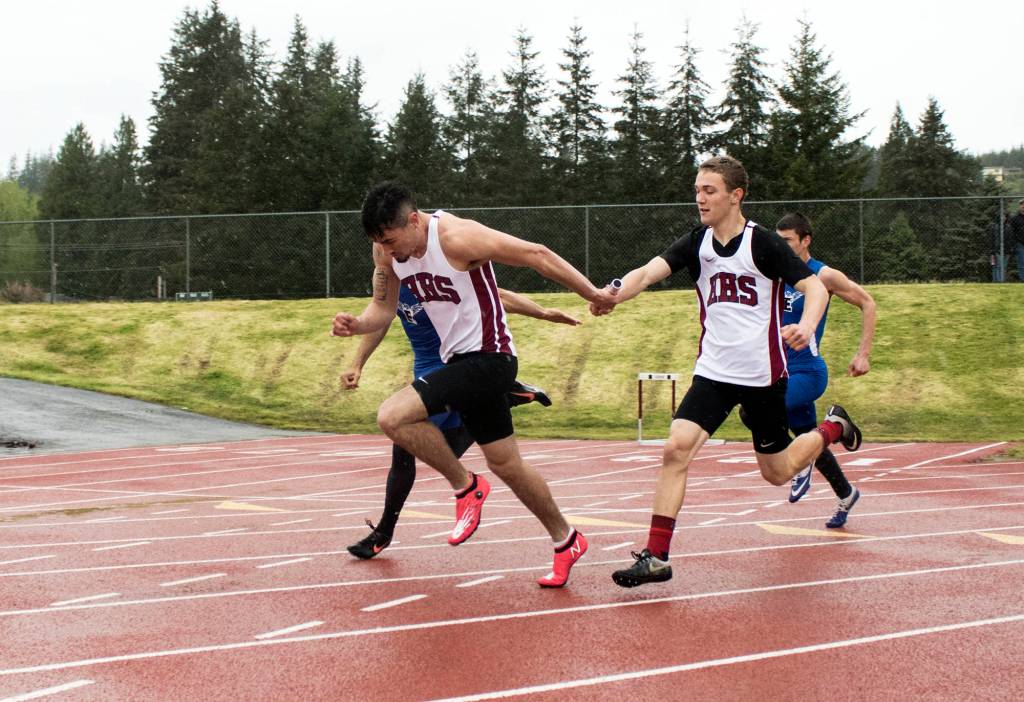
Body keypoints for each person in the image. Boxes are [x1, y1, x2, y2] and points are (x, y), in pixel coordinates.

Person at [589, 155, 864, 588]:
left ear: (736, 196)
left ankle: (833, 427)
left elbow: (814, 287)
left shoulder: (764, 244)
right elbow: (646, 273)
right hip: (714, 371)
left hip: (762, 376)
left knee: (775, 473)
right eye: (697, 190)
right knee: (676, 448)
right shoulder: (696, 242)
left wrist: (807, 324)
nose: (700, 198)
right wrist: (611, 294)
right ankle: (657, 557)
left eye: (709, 190)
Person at [332, 181, 617, 587]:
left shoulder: (457, 236)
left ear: (414, 220)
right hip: (459, 364)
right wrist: (356, 325)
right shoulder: (386, 251)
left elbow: (536, 254)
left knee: (392, 416)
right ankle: (566, 539)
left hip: (491, 358)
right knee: (507, 464)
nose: (392, 254)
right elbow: (383, 307)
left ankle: (466, 486)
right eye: (383, 246)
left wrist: (592, 293)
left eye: (395, 242)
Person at [343, 283, 580, 559]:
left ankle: (384, 532)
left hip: (454, 367)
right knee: (411, 451)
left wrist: (544, 312)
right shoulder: (389, 271)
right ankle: (503, 396)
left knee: (435, 450)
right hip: (425, 368)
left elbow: (497, 296)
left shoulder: (431, 264)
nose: (385, 249)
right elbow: (381, 317)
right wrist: (357, 362)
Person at [775, 212, 875, 528]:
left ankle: (807, 453)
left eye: (787, 241)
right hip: (779, 370)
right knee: (809, 438)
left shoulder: (824, 275)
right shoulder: (773, 273)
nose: (781, 247)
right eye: (778, 241)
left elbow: (867, 303)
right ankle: (846, 493)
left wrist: (863, 355)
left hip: (808, 373)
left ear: (805, 240)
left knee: (761, 408)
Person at [1010, 199, 1024, 282]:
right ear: (1020, 206)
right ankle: (1023, 280)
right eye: (1022, 204)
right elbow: (1012, 232)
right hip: (1020, 244)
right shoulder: (1015, 218)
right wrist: (1014, 243)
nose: (1023, 206)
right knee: (1021, 264)